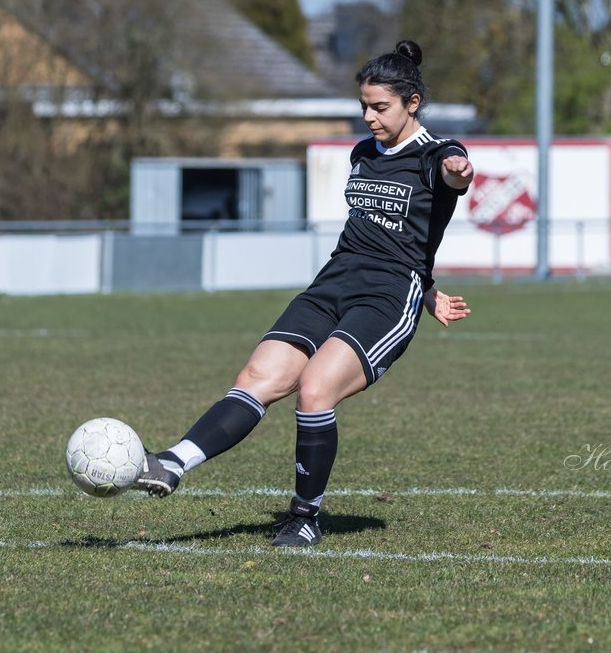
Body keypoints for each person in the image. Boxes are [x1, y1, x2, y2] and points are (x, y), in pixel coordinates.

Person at [134, 39, 476, 547]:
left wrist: (458, 168)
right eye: (363, 106)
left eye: (380, 107)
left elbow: (453, 169)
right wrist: (432, 292)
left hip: (386, 299)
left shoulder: (434, 158)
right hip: (333, 282)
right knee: (258, 375)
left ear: (412, 103)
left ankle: (305, 516)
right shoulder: (364, 152)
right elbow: (384, 232)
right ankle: (173, 461)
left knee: (315, 388)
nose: (369, 117)